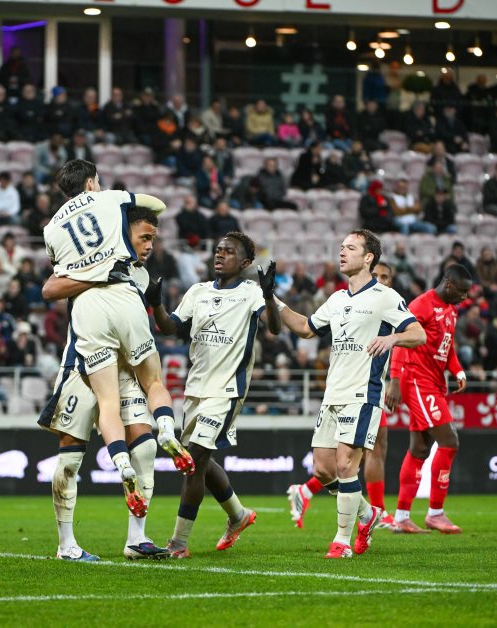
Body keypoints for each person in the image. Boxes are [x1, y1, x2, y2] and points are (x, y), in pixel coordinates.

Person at [43, 159, 188, 519]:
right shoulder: (111, 199)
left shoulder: (51, 228)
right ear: (91, 182)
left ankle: (121, 464)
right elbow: (156, 204)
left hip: (90, 318)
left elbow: (56, 279)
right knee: (154, 381)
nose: (149, 245)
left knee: (112, 407)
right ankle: (167, 426)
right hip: (116, 305)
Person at [277, 229, 426, 558]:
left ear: (368, 257)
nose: (342, 252)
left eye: (350, 247)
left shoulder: (385, 297)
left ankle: (341, 541)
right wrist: (272, 300)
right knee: (323, 469)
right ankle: (368, 514)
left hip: (363, 394)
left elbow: (419, 334)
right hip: (332, 394)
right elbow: (305, 328)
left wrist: (392, 338)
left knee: (346, 465)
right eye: (341, 247)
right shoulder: (337, 299)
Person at [150, 233, 282, 558]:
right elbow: (170, 327)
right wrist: (156, 304)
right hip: (195, 389)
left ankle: (179, 542)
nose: (220, 255)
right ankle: (238, 515)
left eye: (229, 251)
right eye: (218, 249)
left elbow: (275, 327)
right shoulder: (198, 291)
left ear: (245, 262)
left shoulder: (251, 293)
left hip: (227, 390)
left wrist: (269, 296)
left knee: (193, 461)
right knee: (200, 460)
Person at [287, 261, 400, 530]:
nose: (380, 279)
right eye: (376, 275)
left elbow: (407, 339)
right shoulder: (351, 301)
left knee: (355, 456)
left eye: (385, 276)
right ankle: (376, 512)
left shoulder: (389, 303)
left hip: (369, 386)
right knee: (361, 453)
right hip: (357, 388)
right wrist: (395, 379)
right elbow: (309, 328)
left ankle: (313, 494)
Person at [387, 265, 472, 534]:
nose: (464, 297)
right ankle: (435, 513)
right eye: (461, 291)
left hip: (433, 382)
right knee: (449, 441)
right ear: (448, 283)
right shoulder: (421, 305)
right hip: (417, 380)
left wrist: (457, 370)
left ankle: (401, 517)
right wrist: (395, 379)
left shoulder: (451, 310)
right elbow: (401, 339)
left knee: (420, 449)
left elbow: (448, 346)